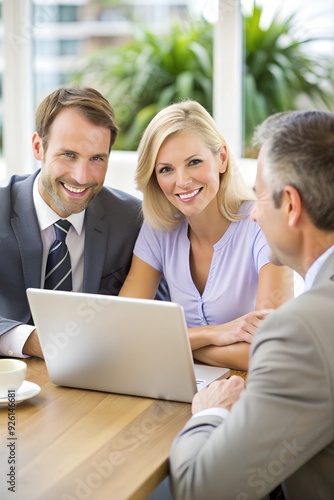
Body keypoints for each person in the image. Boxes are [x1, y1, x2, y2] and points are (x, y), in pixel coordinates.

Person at [169, 109, 334, 499]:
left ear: (291, 206)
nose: (254, 213)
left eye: (260, 195)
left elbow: (200, 490)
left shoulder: (302, 330)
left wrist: (210, 411)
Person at [119, 100, 293, 370]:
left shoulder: (261, 224)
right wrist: (216, 334)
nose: (182, 181)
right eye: (166, 169)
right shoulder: (158, 229)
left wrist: (177, 346)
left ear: (221, 158)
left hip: (253, 390)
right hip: (182, 386)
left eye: (194, 162)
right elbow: (123, 330)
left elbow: (269, 352)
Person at [0, 86, 164, 359]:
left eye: (97, 158)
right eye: (69, 155)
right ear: (38, 147)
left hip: (95, 379)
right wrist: (31, 340)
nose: (81, 176)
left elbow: (153, 314)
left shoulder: (133, 221)